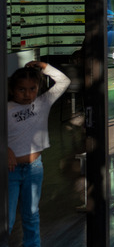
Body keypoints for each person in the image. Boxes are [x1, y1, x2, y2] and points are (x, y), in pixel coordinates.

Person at [7, 61, 71, 247]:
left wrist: (45, 66)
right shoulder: (7, 109)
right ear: (12, 89)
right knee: (7, 219)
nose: (27, 94)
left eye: (32, 89)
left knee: (31, 215)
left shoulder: (43, 102)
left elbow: (64, 82)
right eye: (21, 89)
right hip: (11, 171)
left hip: (35, 169)